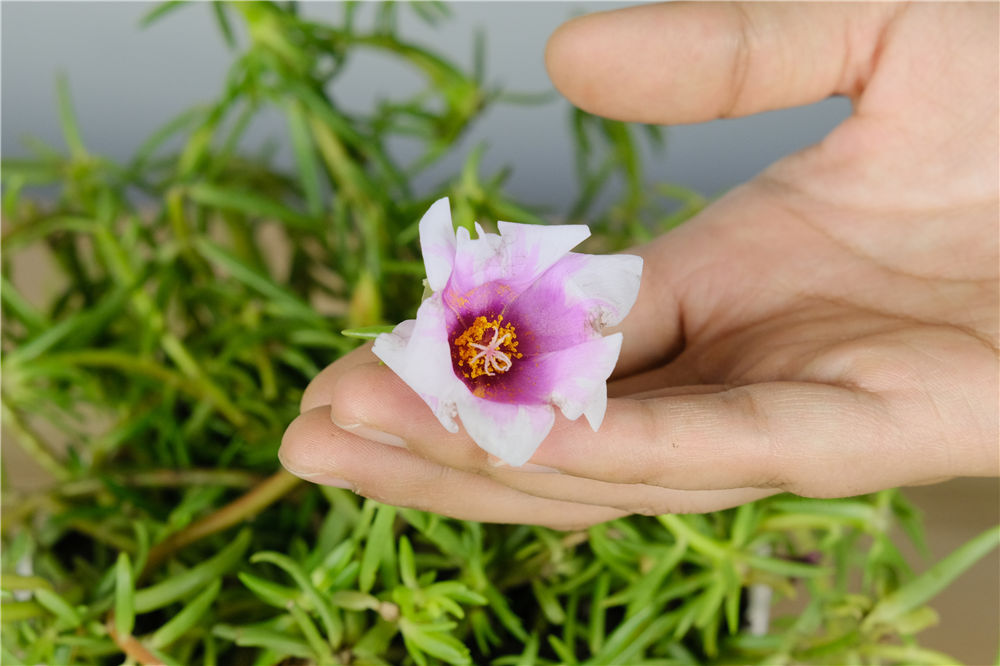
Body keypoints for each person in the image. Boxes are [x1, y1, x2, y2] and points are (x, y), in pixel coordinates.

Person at [279, 2, 999, 529]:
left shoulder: (502, 342)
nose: (488, 344)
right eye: (479, 345)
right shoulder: (459, 327)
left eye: (484, 344)